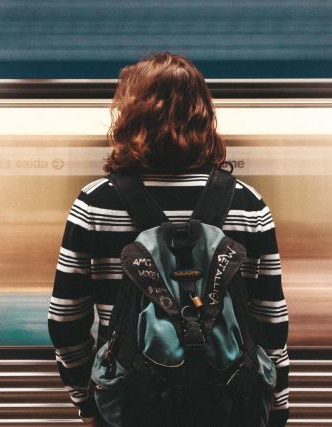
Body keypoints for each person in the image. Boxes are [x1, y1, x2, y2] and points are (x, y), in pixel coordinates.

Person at [47, 52, 290, 426]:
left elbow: (65, 320)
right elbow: (270, 322)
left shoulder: (94, 204)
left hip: (131, 407)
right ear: (204, 115)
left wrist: (88, 401)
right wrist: (279, 404)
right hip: (228, 406)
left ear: (128, 116)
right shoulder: (248, 203)